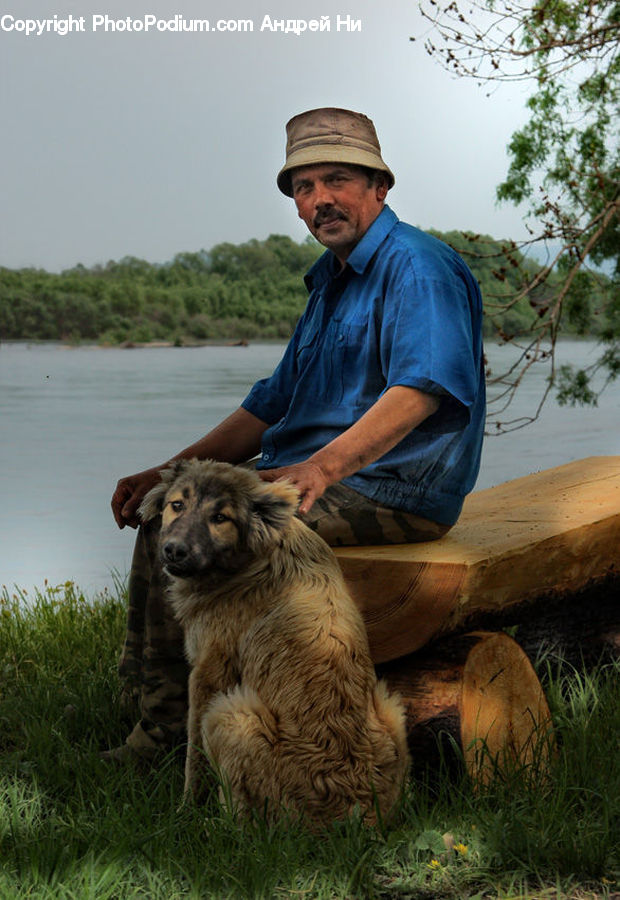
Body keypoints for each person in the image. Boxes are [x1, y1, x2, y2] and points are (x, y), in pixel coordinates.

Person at [107, 107, 486, 762]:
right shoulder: (330, 283)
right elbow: (270, 404)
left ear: (379, 187)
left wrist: (321, 469)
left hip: (390, 493)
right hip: (326, 478)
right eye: (304, 188)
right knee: (165, 507)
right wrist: (164, 471)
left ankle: (168, 731)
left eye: (336, 180)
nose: (319, 201)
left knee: (193, 529)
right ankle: (154, 696)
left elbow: (419, 391)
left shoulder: (417, 269)